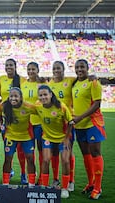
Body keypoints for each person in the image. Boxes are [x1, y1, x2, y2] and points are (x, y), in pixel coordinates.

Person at [72, 59, 106, 200]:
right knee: (86, 155)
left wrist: (80, 117)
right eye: (77, 67)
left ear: (87, 68)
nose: (80, 69)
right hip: (79, 126)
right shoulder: (75, 84)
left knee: (95, 153)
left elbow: (97, 104)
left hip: (92, 123)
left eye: (82, 67)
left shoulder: (93, 83)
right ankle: (91, 183)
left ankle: (98, 188)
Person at [36, 85, 73, 199]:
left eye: (45, 94)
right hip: (47, 137)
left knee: (65, 161)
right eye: (41, 95)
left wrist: (67, 138)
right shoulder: (37, 106)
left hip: (62, 138)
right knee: (46, 160)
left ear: (51, 94)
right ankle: (45, 187)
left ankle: (65, 188)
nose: (43, 97)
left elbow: (71, 122)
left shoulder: (61, 106)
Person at [0, 58, 27, 183]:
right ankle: (10, 170)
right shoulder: (1, 79)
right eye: (7, 65)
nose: (9, 67)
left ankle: (24, 173)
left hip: (20, 118)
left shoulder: (22, 80)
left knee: (21, 149)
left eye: (11, 65)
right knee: (8, 148)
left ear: (15, 66)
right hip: (6, 118)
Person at [48, 61, 76, 190]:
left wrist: (91, 77)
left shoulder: (70, 81)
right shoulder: (50, 84)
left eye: (58, 68)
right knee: (54, 153)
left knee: (67, 153)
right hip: (54, 124)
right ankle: (55, 179)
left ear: (63, 69)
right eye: (54, 68)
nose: (56, 70)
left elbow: (82, 80)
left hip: (67, 123)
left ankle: (71, 180)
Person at [1, 87, 36, 187]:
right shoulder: (4, 106)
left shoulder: (28, 107)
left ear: (21, 98)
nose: (13, 99)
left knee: (30, 158)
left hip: (26, 136)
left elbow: (41, 111)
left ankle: (31, 184)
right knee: (8, 158)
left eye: (16, 96)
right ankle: (5, 183)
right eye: (11, 96)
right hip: (10, 136)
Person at [21, 62, 46, 185]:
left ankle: (41, 177)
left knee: (42, 151)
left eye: (33, 69)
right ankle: (31, 177)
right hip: (27, 124)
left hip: (40, 123)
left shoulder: (42, 84)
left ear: (38, 70)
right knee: (30, 153)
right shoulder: (23, 85)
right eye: (29, 69)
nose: (31, 71)